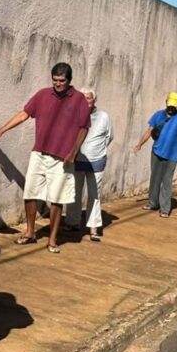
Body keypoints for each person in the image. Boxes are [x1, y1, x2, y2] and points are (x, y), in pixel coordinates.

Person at [0, 63, 90, 254]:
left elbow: (84, 127)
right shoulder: (42, 95)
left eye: (62, 81)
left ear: (69, 80)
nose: (58, 84)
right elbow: (24, 114)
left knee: (57, 199)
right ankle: (30, 232)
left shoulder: (79, 100)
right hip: (39, 154)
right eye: (55, 80)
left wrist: (73, 153)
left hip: (62, 159)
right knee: (30, 193)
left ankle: (52, 239)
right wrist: (1, 130)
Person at [63, 87, 113, 240]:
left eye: (89, 98)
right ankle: (72, 222)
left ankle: (93, 227)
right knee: (74, 192)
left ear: (94, 100)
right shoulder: (73, 115)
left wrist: (96, 150)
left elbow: (109, 137)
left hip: (96, 162)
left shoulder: (103, 116)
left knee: (94, 195)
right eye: (83, 98)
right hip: (77, 160)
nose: (86, 101)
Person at [133, 91, 177, 218]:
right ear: (166, 102)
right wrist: (140, 144)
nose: (171, 108)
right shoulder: (158, 115)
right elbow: (149, 131)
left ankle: (165, 209)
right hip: (157, 152)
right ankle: (153, 203)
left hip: (172, 156)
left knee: (167, 181)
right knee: (155, 178)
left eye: (173, 106)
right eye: (169, 105)